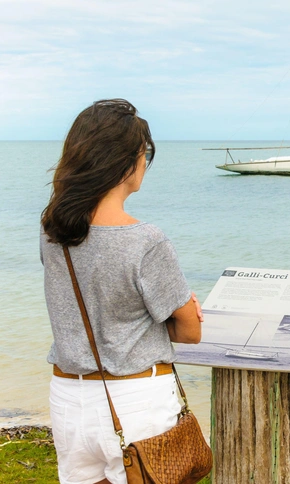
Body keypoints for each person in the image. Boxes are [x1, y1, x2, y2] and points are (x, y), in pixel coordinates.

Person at [40, 99, 203, 484]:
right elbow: (190, 332)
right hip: (136, 401)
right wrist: (180, 312)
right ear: (124, 162)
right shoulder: (146, 241)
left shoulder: (53, 235)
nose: (145, 162)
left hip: (68, 398)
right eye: (144, 153)